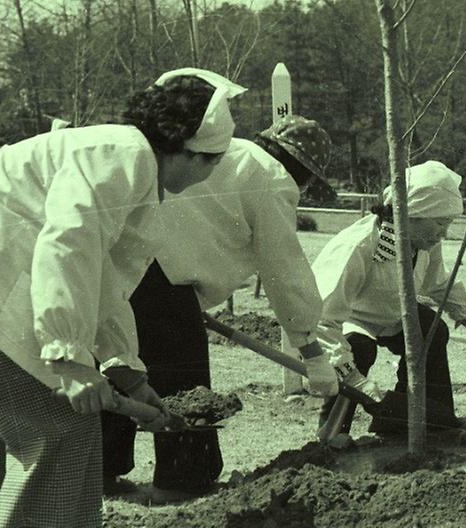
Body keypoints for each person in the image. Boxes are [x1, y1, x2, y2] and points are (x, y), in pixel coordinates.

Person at [0, 67, 243, 527]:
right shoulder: (122, 156)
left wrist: (124, 368)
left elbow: (103, 277)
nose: (210, 174)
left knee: (15, 439)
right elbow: (68, 243)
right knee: (61, 432)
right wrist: (69, 358)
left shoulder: (129, 160)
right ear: (188, 151)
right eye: (213, 160)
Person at [100, 114, 358, 501]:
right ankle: (184, 479)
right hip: (161, 276)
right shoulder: (271, 177)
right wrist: (311, 349)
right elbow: (283, 269)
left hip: (130, 264)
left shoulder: (231, 154)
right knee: (184, 380)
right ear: (303, 171)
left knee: (115, 365)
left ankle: (99, 471)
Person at [312, 160, 466, 435]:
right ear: (412, 214)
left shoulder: (425, 243)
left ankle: (416, 418)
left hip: (395, 314)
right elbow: (322, 318)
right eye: (440, 223)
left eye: (447, 224)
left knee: (432, 330)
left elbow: (438, 283)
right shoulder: (358, 246)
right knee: (359, 350)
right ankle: (332, 432)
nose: (444, 233)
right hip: (353, 319)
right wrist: (354, 379)